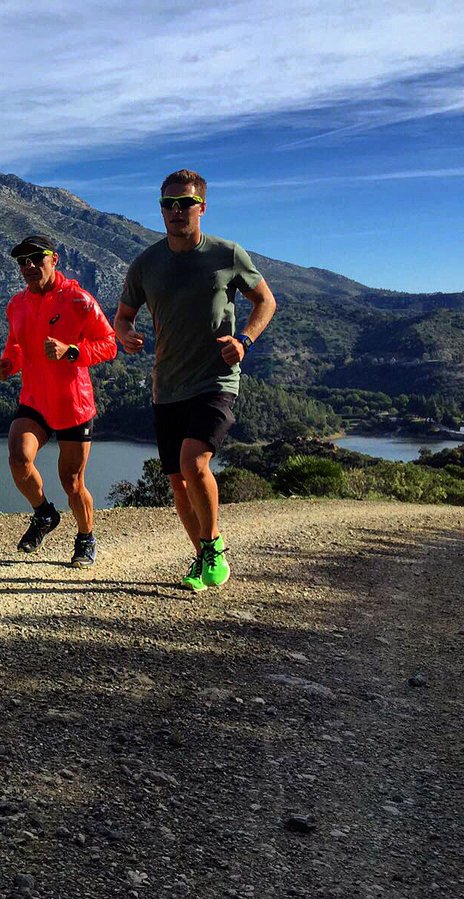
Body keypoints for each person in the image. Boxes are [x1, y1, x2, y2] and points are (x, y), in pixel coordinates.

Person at [114, 169, 277, 591]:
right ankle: (203, 557)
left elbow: (266, 301)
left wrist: (245, 340)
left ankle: (214, 548)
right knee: (177, 482)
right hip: (166, 387)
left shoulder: (227, 254)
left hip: (216, 381)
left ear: (201, 207)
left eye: (184, 203)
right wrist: (125, 334)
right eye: (168, 204)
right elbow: (123, 315)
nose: (176, 211)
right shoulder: (146, 263)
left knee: (193, 463)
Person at [0, 235, 118, 567]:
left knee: (72, 482)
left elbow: (109, 344)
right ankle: (44, 514)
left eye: (37, 258)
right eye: (23, 261)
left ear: (55, 259)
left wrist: (72, 352)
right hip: (34, 399)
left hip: (72, 404)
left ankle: (86, 538)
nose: (29, 266)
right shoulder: (16, 305)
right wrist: (9, 363)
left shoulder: (77, 299)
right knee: (19, 460)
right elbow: (17, 346)